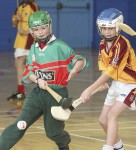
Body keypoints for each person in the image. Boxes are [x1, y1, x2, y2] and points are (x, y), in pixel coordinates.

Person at [0, 11, 88, 150]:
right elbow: (28, 72)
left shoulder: (60, 45)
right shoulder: (33, 49)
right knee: (20, 124)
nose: (40, 32)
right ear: (31, 31)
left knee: (53, 133)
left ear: (49, 27)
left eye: (43, 28)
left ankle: (64, 144)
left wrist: (75, 68)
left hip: (57, 95)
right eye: (36, 29)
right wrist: (37, 79)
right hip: (38, 94)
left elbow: (79, 60)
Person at [80, 8, 136, 150]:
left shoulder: (122, 44)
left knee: (111, 115)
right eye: (103, 28)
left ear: (118, 27)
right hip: (117, 83)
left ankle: (108, 147)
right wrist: (100, 85)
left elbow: (110, 72)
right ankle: (118, 146)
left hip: (132, 84)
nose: (107, 31)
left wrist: (90, 89)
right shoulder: (103, 44)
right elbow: (105, 68)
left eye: (110, 28)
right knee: (103, 120)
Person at [7, 0, 39, 102]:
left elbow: (39, 22)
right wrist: (17, 19)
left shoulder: (33, 6)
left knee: (36, 65)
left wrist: (27, 31)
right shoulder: (19, 7)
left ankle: (42, 90)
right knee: (18, 63)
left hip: (31, 40)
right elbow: (13, 23)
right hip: (20, 40)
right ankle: (21, 91)